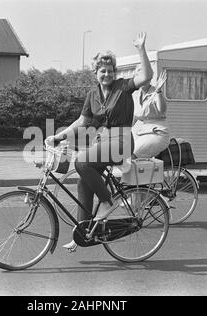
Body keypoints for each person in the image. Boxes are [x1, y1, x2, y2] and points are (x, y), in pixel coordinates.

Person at [45, 32, 153, 252]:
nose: (107, 74)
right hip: (104, 142)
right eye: (103, 71)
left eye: (110, 70)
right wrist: (59, 136)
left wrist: (141, 49)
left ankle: (107, 201)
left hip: (121, 141)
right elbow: (81, 121)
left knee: (82, 163)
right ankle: (82, 234)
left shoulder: (123, 86)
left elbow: (146, 77)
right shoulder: (92, 94)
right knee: (83, 182)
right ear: (95, 73)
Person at [131, 65, 170, 158]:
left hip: (158, 134)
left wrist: (159, 91)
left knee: (133, 154)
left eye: (146, 77)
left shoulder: (155, 92)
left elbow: (162, 110)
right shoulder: (135, 96)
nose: (143, 80)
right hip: (143, 133)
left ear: (150, 78)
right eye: (140, 77)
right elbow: (131, 120)